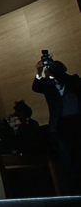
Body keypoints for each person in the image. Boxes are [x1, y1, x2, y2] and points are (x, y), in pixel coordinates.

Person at [33, 56, 81, 193]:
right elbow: (36, 87)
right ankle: (73, 191)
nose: (49, 72)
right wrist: (39, 71)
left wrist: (58, 72)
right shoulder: (49, 86)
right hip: (60, 125)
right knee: (67, 158)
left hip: (77, 121)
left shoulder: (73, 80)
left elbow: (74, 82)